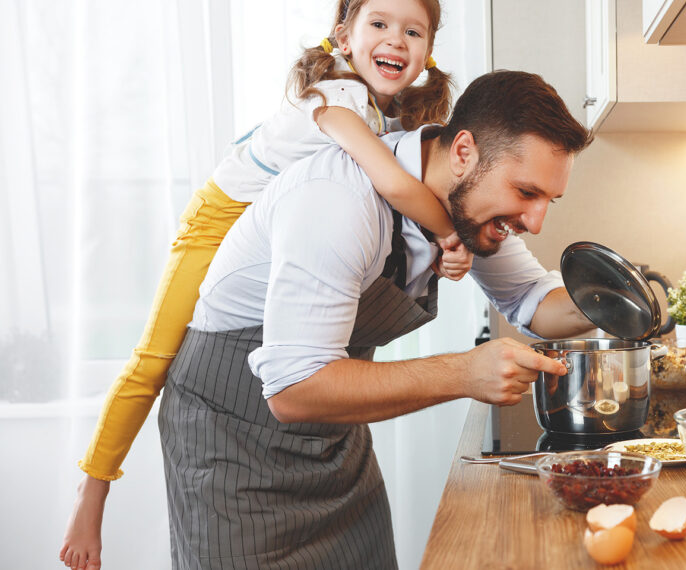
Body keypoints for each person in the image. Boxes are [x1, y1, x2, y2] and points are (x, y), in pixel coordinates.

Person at [59, 1, 467, 568]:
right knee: (155, 358)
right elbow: (397, 184)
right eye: (379, 23)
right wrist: (452, 235)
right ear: (343, 38)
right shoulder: (337, 96)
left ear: (426, 53)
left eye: (412, 30)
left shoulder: (386, 116)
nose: (395, 39)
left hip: (270, 229)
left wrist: (436, 256)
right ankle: (92, 490)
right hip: (220, 216)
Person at [158, 68, 594, 568]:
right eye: (526, 193)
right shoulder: (338, 199)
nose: (535, 223)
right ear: (464, 152)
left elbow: (533, 300)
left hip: (334, 442)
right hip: (233, 450)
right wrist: (463, 372)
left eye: (547, 201)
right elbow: (294, 388)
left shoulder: (468, 206)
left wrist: (618, 300)